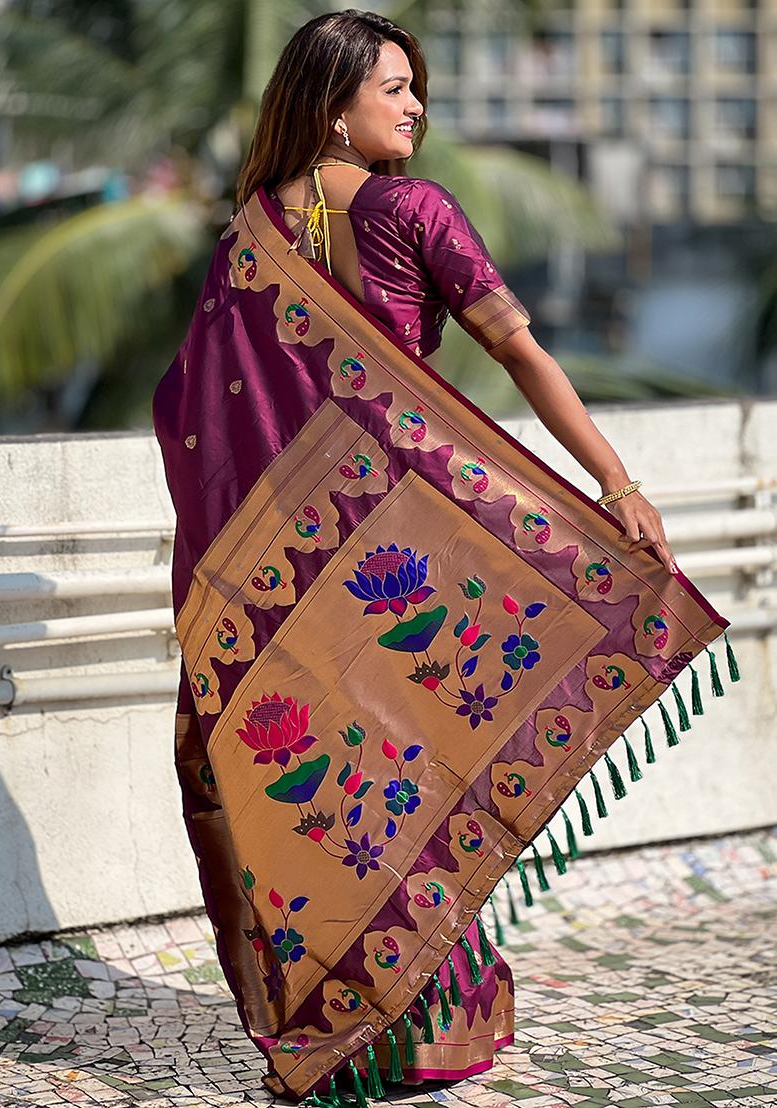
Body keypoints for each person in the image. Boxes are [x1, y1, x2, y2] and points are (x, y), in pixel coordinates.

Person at [152, 9, 736, 1106]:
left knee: (330, 785)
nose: (416, 105)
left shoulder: (247, 240)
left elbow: (190, 413)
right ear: (334, 104)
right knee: (414, 770)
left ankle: (328, 1028)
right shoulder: (411, 209)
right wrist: (618, 484)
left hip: (279, 568)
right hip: (404, 552)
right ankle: (421, 1030)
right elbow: (517, 348)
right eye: (395, 87)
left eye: (416, 86)